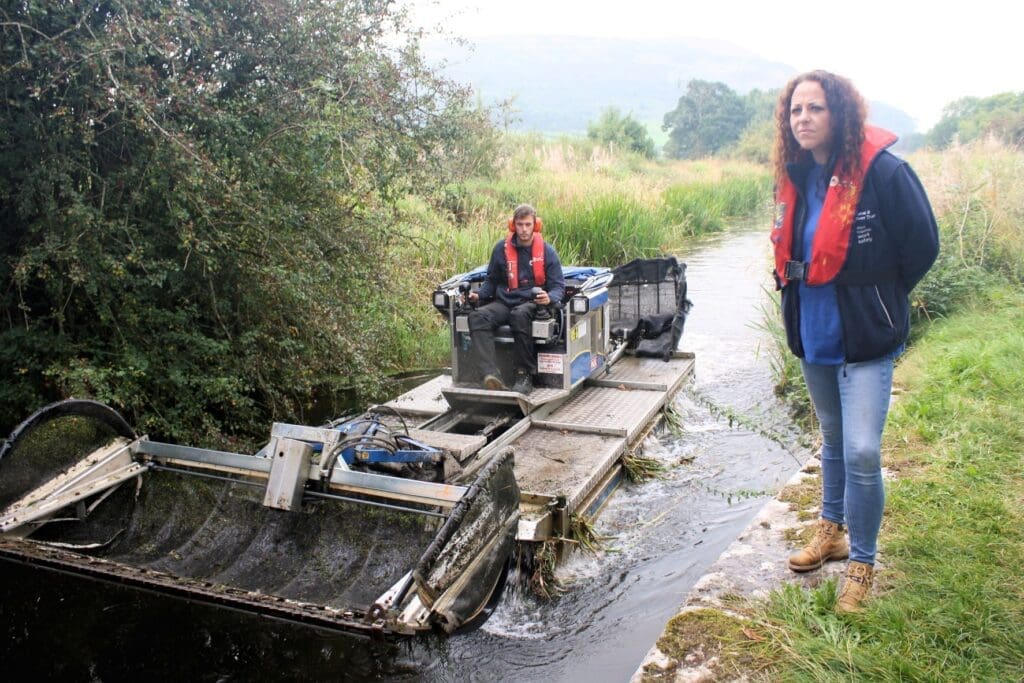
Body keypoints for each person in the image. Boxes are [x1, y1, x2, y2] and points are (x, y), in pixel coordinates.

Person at [770, 71, 939, 613]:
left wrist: (880, 300)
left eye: (815, 108)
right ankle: (831, 531)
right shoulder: (796, 176)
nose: (804, 119)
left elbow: (923, 247)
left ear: (840, 114)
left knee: (864, 450)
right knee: (834, 440)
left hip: (865, 337)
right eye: (796, 110)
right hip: (815, 333)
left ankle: (862, 563)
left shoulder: (885, 173)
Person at [467, 204, 565, 394]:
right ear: (513, 225)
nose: (524, 229)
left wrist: (549, 297)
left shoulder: (547, 251)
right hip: (505, 301)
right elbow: (491, 281)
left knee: (519, 315)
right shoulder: (500, 250)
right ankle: (490, 374)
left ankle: (524, 374)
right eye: (520, 225)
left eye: (528, 224)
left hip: (531, 303)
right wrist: (478, 295)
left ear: (536, 225)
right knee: (477, 317)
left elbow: (558, 287)